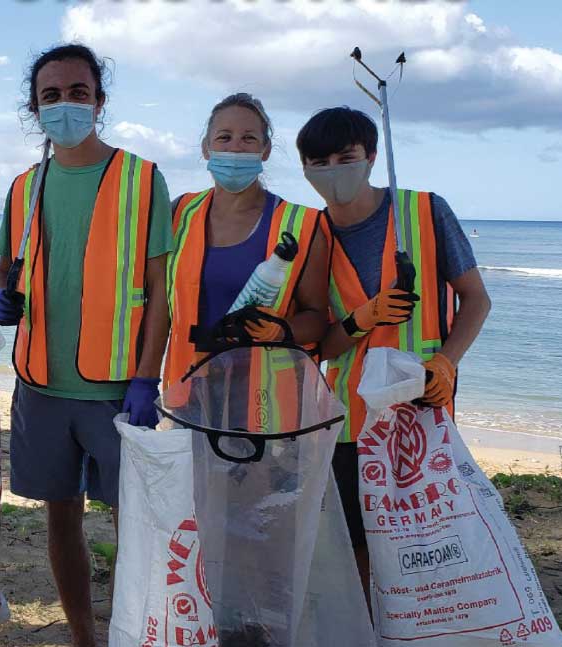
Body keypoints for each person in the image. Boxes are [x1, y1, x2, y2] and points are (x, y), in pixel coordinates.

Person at [0, 44, 173, 647]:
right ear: (33, 107)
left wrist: (148, 378)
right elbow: (4, 267)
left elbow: (159, 291)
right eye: (50, 95)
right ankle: (83, 638)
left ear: (99, 100)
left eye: (77, 93)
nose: (64, 105)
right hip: (41, 385)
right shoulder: (24, 187)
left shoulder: (142, 179)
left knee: (134, 528)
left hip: (117, 389)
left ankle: (129, 631)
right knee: (59, 516)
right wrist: (0, 296)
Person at [297, 106, 491, 603]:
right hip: (347, 421)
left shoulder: (425, 211)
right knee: (359, 544)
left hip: (422, 413)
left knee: (427, 539)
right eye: (320, 161)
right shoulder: (310, 235)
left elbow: (476, 298)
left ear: (372, 157)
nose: (335, 170)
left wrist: (447, 361)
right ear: (305, 169)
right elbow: (322, 345)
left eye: (347, 157)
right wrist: (364, 317)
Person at [164, 93, 328, 388]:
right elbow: (158, 306)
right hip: (189, 394)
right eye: (224, 137)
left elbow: (318, 318)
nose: (236, 148)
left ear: (265, 150)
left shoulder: (302, 225)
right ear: (206, 148)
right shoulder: (180, 213)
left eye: (249, 138)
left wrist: (281, 329)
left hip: (268, 404)